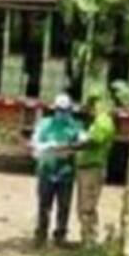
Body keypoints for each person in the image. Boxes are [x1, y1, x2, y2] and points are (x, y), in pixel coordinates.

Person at [31, 93, 84, 247]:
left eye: (65, 110)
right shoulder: (45, 124)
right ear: (55, 109)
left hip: (65, 173)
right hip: (46, 171)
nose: (62, 113)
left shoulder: (75, 126)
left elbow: (82, 140)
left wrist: (76, 144)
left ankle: (60, 236)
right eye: (60, 110)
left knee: (64, 206)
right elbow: (35, 143)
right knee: (44, 205)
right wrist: (50, 146)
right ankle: (40, 235)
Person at [75, 89, 117, 245]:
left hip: (93, 168)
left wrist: (75, 144)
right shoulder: (96, 121)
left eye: (92, 104)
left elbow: (94, 141)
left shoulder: (103, 121)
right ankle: (86, 238)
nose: (90, 108)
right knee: (83, 205)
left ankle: (89, 240)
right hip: (87, 167)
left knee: (87, 206)